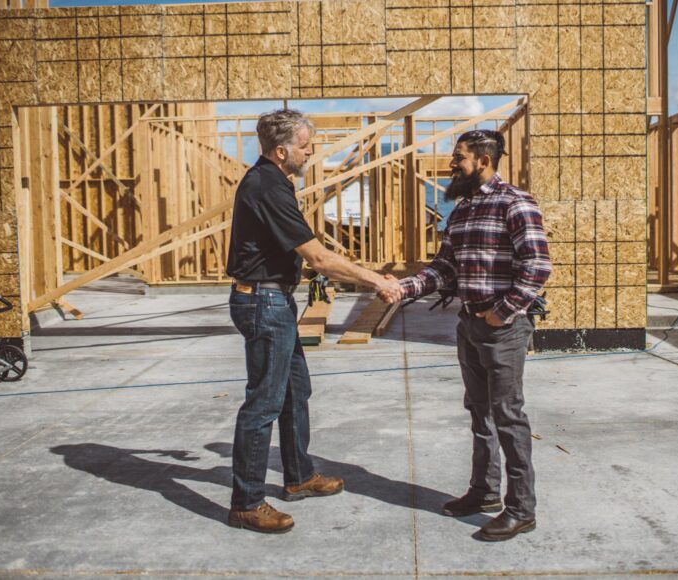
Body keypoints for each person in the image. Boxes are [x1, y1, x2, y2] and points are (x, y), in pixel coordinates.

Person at [226, 109, 402, 534]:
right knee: (263, 404)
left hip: (274, 299)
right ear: (282, 149)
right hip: (263, 304)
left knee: (294, 392)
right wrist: (376, 280)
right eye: (305, 147)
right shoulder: (267, 185)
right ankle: (247, 502)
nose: (310, 153)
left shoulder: (274, 183)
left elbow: (288, 253)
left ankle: (299, 476)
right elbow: (318, 255)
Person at [397, 129, 552, 541]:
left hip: (502, 329)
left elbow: (537, 267)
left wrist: (500, 314)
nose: (453, 164)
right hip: (468, 325)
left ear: (483, 160)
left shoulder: (515, 203)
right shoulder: (463, 211)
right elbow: (443, 269)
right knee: (479, 413)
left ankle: (521, 508)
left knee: (508, 416)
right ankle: (484, 493)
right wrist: (401, 288)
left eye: (459, 157)